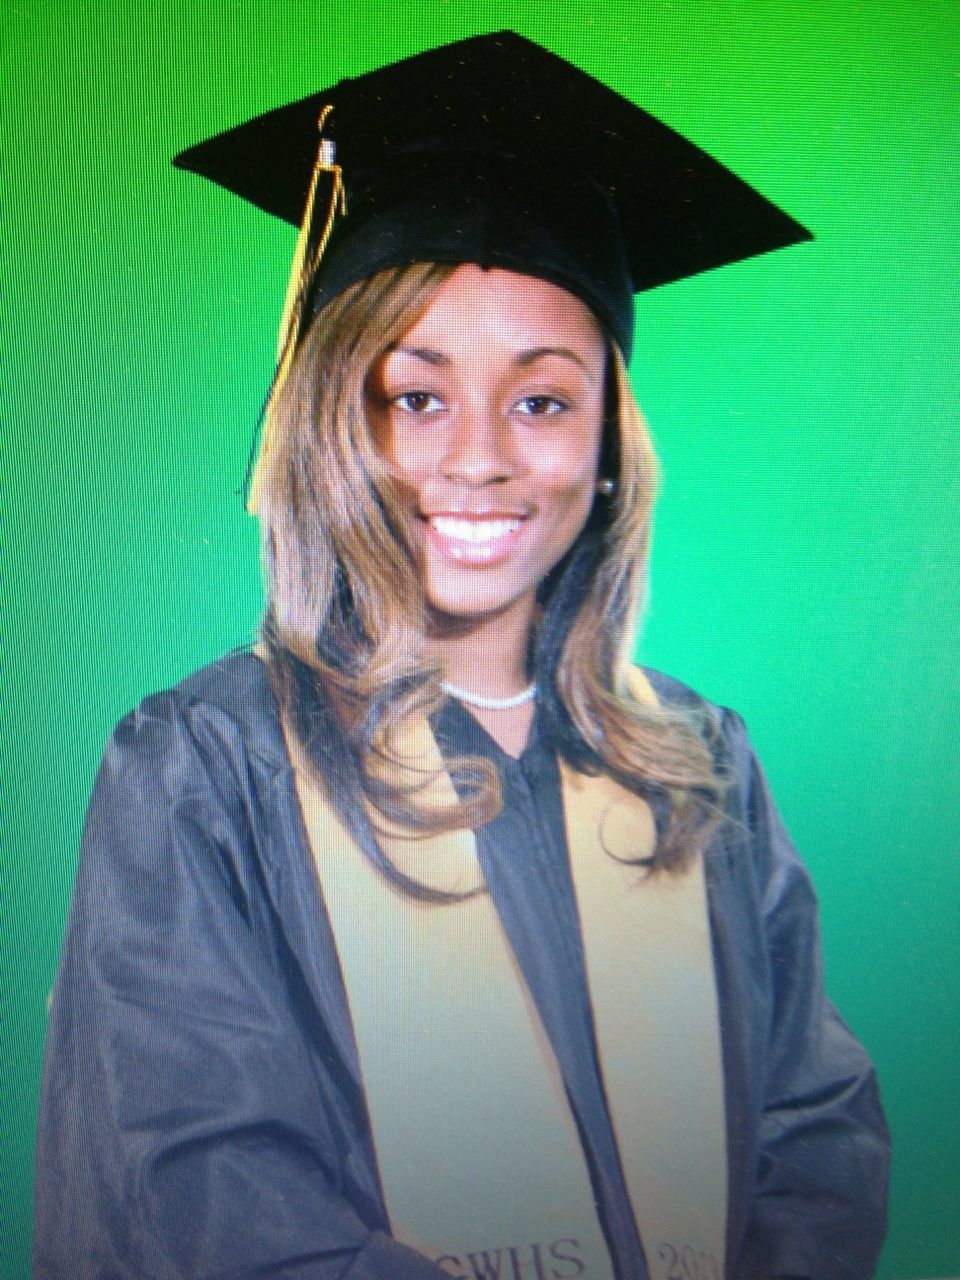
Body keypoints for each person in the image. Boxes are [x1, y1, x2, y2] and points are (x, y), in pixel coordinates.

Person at [33, 31, 889, 1280]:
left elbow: (816, 1134)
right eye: (417, 394)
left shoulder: (700, 765)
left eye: (542, 398)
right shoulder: (204, 774)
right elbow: (206, 1215)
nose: (480, 457)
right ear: (332, 414)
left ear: (607, 445)